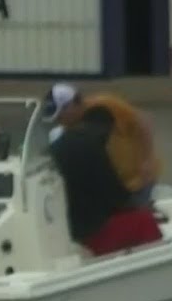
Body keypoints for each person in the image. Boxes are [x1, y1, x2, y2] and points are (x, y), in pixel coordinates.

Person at [48, 106, 163, 256]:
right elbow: (118, 198)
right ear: (107, 129)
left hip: (68, 229)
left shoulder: (58, 144)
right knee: (145, 221)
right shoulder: (93, 145)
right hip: (92, 235)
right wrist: (142, 207)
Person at [42, 82, 162, 207]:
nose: (59, 121)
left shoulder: (106, 105)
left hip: (138, 180)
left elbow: (143, 121)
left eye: (60, 116)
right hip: (113, 187)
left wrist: (147, 159)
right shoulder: (69, 129)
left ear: (71, 105)